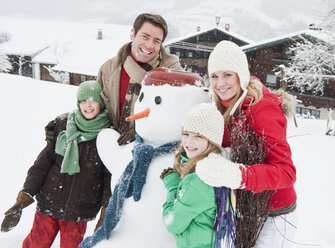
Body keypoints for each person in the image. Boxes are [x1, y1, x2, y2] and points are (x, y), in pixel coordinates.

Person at [195, 41, 298, 247]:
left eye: (227, 75)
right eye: (214, 76)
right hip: (244, 208)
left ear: (240, 75)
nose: (220, 83)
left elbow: (287, 172)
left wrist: (240, 175)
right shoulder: (222, 106)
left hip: (273, 215)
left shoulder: (260, 109)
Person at [1, 81, 112, 248]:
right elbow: (42, 165)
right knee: (36, 244)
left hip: (80, 210)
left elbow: (108, 177)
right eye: (82, 101)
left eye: (92, 100)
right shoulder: (64, 126)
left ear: (101, 103)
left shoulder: (106, 135)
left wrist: (106, 209)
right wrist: (23, 198)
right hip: (49, 202)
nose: (87, 105)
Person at [97, 13, 182, 145]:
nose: (149, 45)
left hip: (148, 148)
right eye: (145, 37)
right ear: (133, 34)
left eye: (156, 41)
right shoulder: (108, 69)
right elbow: (94, 106)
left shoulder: (171, 73)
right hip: (111, 146)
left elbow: (175, 116)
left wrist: (140, 132)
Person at [160, 103, 235, 248]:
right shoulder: (216, 167)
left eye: (198, 137)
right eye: (186, 134)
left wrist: (173, 187)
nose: (189, 142)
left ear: (211, 141)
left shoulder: (200, 180)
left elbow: (172, 223)